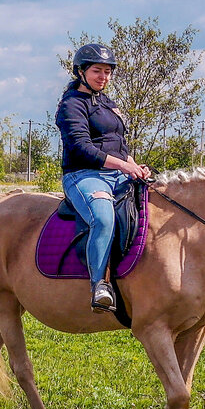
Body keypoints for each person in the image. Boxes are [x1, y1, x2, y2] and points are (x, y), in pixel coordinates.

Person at [55, 43, 151, 313]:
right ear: (81, 71)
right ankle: (100, 285)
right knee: (103, 217)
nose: (103, 77)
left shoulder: (108, 104)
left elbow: (118, 144)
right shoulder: (71, 104)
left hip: (118, 173)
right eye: (97, 70)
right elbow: (81, 148)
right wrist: (123, 165)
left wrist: (134, 166)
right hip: (84, 176)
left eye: (108, 72)